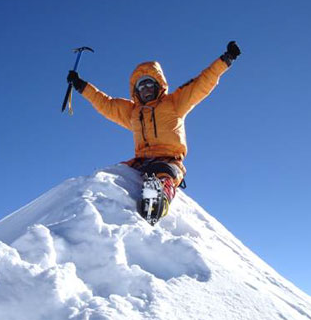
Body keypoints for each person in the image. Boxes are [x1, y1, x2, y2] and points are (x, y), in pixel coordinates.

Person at [67, 41, 241, 224]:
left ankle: (158, 200)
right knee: (115, 173)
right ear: (135, 91)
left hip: (168, 160)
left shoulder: (174, 103)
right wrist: (80, 85)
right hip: (140, 161)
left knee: (161, 173)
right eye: (141, 87)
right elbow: (106, 104)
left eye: (149, 85)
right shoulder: (133, 112)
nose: (146, 90)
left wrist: (225, 60)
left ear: (159, 85)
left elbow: (201, 83)